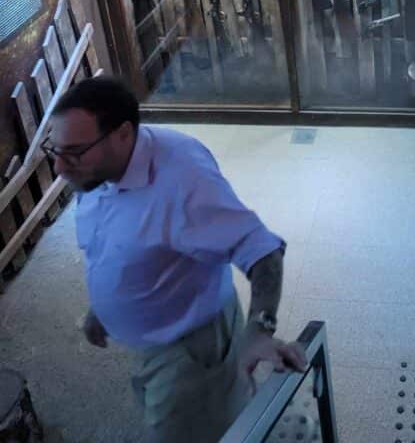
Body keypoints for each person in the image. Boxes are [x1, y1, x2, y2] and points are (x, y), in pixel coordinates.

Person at [44, 77, 306, 443]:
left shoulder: (182, 182)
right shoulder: (96, 170)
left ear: (122, 134)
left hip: (189, 352)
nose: (59, 167)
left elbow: (261, 248)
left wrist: (259, 330)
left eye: (73, 152)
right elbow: (111, 243)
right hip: (152, 340)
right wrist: (103, 308)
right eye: (54, 150)